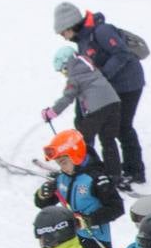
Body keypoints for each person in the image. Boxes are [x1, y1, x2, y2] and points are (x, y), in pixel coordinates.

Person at [55, 1, 147, 186]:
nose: (63, 37)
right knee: (85, 123)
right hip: (106, 89)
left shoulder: (101, 31)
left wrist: (103, 75)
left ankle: (134, 171)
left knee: (122, 127)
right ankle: (88, 163)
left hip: (128, 84)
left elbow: (121, 53)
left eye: (63, 32)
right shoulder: (81, 40)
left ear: (71, 25)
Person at [33, 128, 123, 248]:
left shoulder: (96, 179)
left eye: (63, 162)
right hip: (69, 240)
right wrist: (43, 194)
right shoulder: (62, 178)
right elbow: (42, 203)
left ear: (76, 156)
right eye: (58, 164)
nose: (61, 167)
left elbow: (117, 208)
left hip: (94, 241)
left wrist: (88, 220)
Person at [44, 42, 123, 186]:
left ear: (67, 64)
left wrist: (52, 112)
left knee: (79, 141)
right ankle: (114, 175)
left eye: (63, 70)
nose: (64, 74)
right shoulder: (89, 67)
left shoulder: (74, 76)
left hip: (98, 109)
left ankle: (85, 170)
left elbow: (68, 97)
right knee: (108, 140)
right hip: (114, 104)